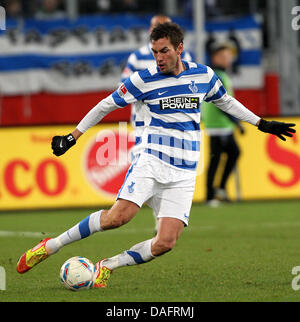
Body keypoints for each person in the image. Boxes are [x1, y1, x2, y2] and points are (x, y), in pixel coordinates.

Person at [16, 23, 296, 289]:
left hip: (184, 173)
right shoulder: (143, 80)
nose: (159, 58)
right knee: (117, 218)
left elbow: (226, 101)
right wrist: (73, 136)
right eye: (155, 52)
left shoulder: (204, 76)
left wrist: (262, 123)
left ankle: (107, 266)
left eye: (164, 51)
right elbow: (105, 105)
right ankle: (51, 245)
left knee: (165, 243)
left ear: (179, 48)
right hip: (152, 161)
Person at [121, 15, 192, 232]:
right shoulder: (137, 57)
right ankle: (160, 218)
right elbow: (123, 85)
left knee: (167, 171)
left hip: (175, 124)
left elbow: (191, 81)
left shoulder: (184, 55)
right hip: (145, 124)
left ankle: (163, 219)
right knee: (148, 167)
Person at [202, 41, 244, 206]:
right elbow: (221, 104)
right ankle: (210, 195)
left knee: (233, 153)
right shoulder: (216, 75)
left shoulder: (221, 75)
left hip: (223, 125)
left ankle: (219, 188)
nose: (230, 59)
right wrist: (236, 122)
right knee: (216, 159)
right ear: (216, 57)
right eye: (226, 56)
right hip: (217, 125)